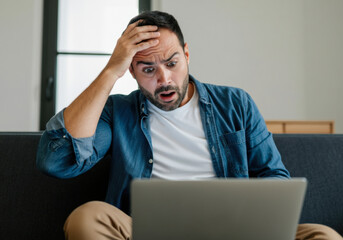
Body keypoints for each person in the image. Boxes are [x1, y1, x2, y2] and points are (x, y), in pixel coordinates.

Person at [36, 11, 342, 240]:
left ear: (186, 54)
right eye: (147, 69)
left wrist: (242, 210)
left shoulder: (236, 103)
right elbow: (57, 161)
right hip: (147, 232)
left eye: (172, 63)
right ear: (131, 70)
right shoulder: (119, 111)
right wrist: (109, 71)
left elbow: (275, 175)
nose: (164, 79)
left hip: (235, 232)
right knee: (86, 219)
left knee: (323, 236)